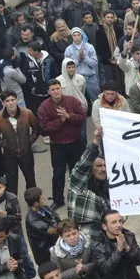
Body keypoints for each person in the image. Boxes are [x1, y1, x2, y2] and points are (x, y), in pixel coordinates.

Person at [38, 79, 86, 210]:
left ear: (61, 89)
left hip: (75, 143)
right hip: (57, 145)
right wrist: (61, 120)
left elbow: (82, 118)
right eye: (53, 89)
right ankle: (58, 199)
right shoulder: (44, 107)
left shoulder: (72, 101)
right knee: (58, 173)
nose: (56, 91)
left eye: (58, 88)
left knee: (76, 172)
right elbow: (44, 128)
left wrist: (68, 116)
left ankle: (79, 197)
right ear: (49, 92)